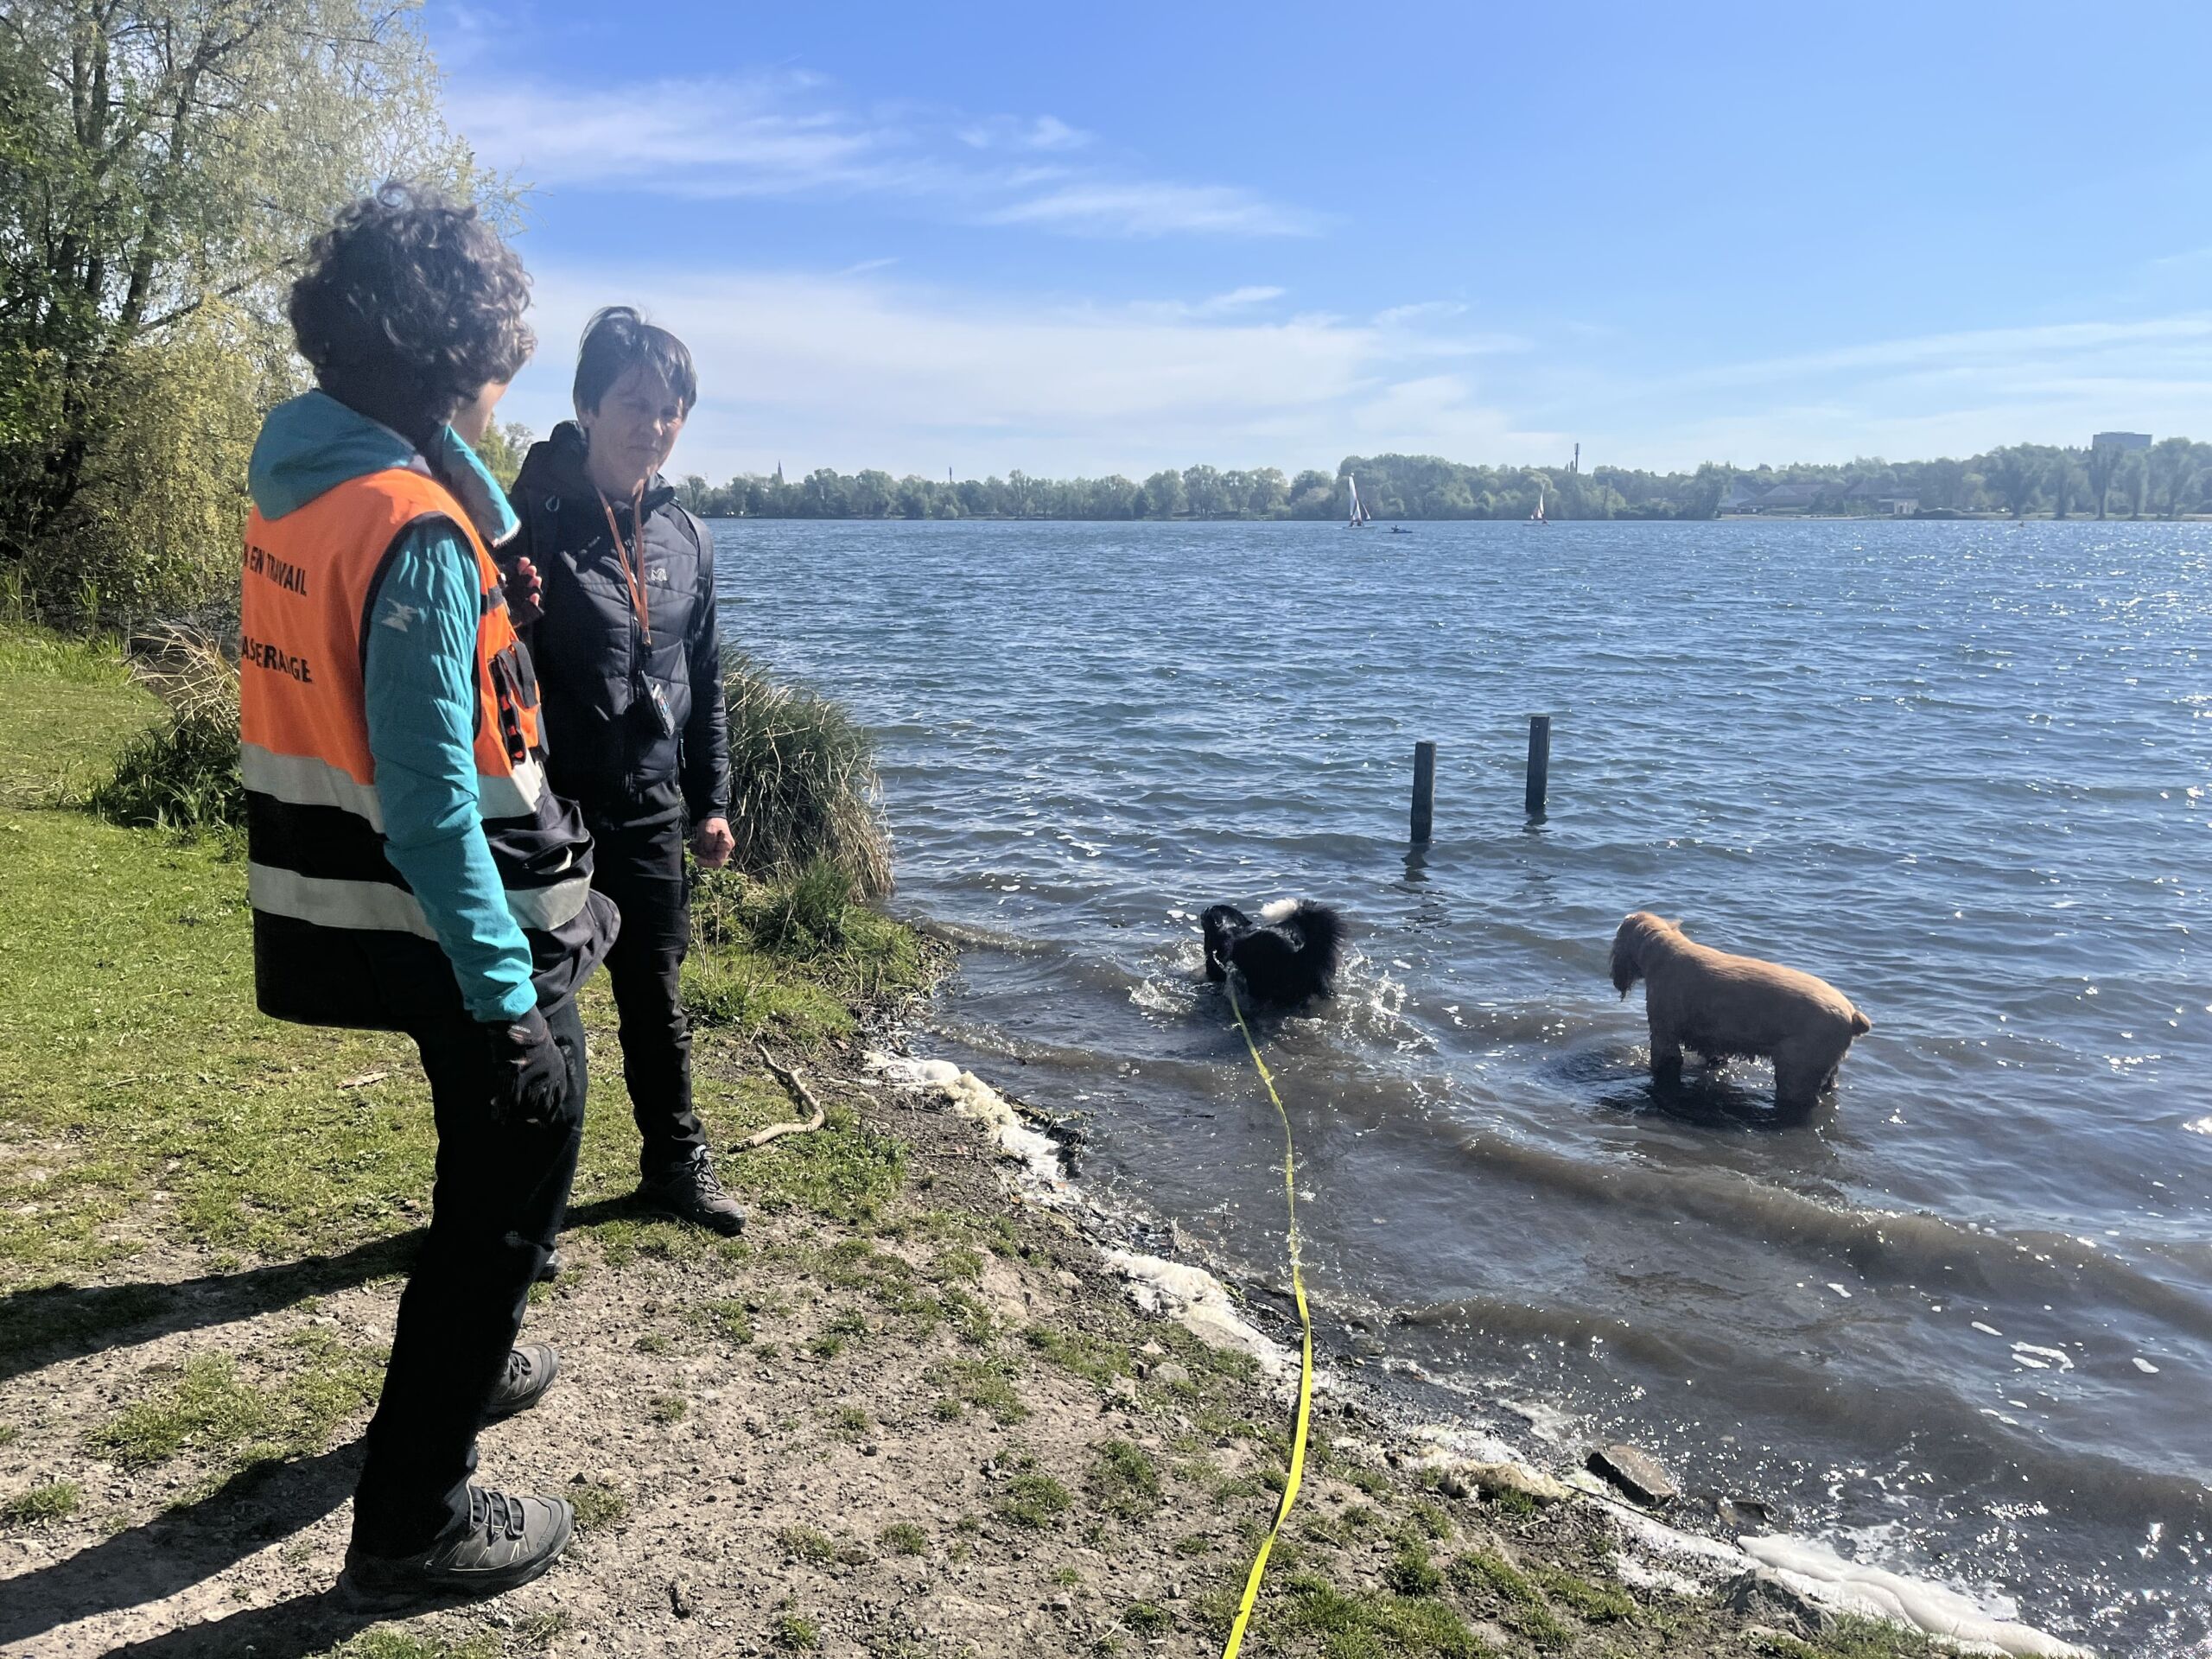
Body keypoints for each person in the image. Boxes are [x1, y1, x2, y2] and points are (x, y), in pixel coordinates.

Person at [238, 182, 617, 1606]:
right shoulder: (409, 531)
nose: (506, 382)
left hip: (368, 917)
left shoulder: (317, 476)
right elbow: (427, 794)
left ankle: (484, 1341)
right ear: (450, 359)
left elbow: (475, 511)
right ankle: (413, 1522)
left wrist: (443, 433)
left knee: (486, 1173)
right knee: (511, 1181)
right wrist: (513, 998)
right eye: (488, 361)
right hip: (464, 930)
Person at [500, 308, 741, 1234]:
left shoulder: (690, 539)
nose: (653, 423)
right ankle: (528, 1203)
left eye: (670, 408)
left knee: (656, 995)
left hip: (649, 803)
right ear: (586, 406)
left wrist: (710, 801)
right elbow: (492, 659)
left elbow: (706, 679)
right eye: (634, 403)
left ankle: (675, 1167)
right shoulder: (530, 520)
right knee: (536, 1008)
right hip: (548, 806)